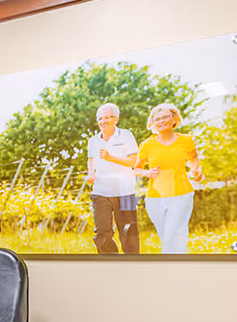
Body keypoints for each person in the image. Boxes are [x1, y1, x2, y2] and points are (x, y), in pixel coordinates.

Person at [137, 103, 204, 254]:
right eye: (157, 119)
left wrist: (196, 169)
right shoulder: (147, 145)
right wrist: (147, 173)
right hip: (155, 197)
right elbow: (136, 169)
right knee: (167, 238)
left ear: (174, 119)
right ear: (153, 123)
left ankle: (171, 265)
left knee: (172, 234)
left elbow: (193, 158)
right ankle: (176, 262)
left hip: (182, 194)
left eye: (165, 117)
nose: (161, 121)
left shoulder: (186, 141)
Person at [85, 103, 141, 254]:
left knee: (129, 233)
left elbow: (134, 161)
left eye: (107, 117)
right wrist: (91, 173)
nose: (103, 121)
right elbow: (91, 161)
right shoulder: (93, 141)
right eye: (100, 118)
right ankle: (111, 262)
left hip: (125, 191)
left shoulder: (126, 135)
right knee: (102, 234)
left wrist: (111, 158)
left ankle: (132, 265)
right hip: (100, 192)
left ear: (116, 119)